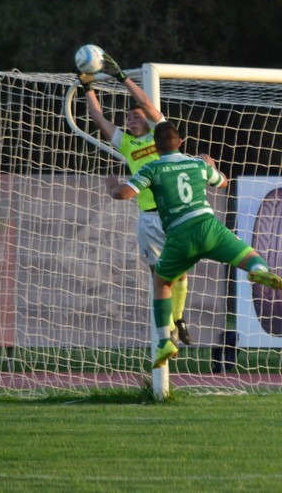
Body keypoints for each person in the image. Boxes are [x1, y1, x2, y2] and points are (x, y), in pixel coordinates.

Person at [108, 121, 282, 367]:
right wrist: (212, 165)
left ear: (156, 148)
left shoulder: (152, 168)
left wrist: (112, 186)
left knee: (161, 283)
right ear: (180, 142)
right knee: (251, 256)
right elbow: (222, 182)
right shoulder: (197, 164)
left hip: (179, 237)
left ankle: (165, 341)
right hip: (209, 228)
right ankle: (259, 271)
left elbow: (123, 193)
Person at [79, 50, 193, 345]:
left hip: (175, 213)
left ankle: (178, 319)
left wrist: (121, 77)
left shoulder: (159, 134)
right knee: (159, 276)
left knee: (180, 273)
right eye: (128, 117)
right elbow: (98, 118)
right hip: (149, 218)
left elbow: (146, 103)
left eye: (136, 116)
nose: (131, 119)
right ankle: (167, 331)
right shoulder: (126, 143)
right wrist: (87, 86)